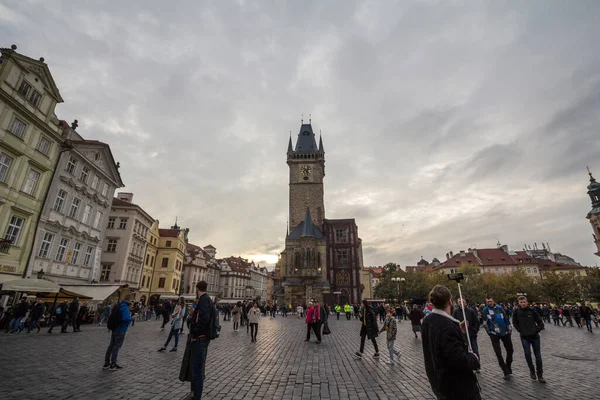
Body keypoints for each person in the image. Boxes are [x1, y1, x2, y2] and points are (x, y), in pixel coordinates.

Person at [422, 285, 481, 400]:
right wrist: (474, 358)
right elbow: (459, 360)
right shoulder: (448, 326)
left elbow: (440, 343)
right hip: (457, 388)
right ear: (450, 301)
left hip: (438, 382)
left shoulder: (427, 320)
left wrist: (459, 331)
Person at [512, 295, 545, 383]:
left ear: (527, 302)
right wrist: (521, 330)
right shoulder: (516, 312)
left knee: (538, 357)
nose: (523, 304)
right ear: (519, 303)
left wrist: (535, 330)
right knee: (527, 354)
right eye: (521, 302)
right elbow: (514, 323)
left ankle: (540, 374)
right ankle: (532, 370)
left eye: (524, 302)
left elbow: (541, 323)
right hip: (524, 337)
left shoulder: (532, 311)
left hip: (535, 337)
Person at [189, 281, 213, 400]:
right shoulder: (207, 299)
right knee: (197, 369)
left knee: (197, 371)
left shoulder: (204, 300)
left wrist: (195, 333)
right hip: (203, 337)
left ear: (197, 289)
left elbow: (203, 319)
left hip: (200, 338)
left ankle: (196, 397)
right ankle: (193, 393)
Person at [483, 296, 513, 380]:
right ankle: (505, 370)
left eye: (490, 301)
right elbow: (485, 322)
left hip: (504, 331)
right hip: (494, 333)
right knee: (498, 353)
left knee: (510, 350)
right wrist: (489, 332)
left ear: (493, 301)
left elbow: (506, 318)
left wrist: (509, 327)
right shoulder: (485, 310)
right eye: (488, 301)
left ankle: (508, 365)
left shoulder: (500, 308)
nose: (489, 303)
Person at [103, 293, 135, 371]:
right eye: (132, 300)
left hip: (115, 328)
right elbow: (125, 318)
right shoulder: (125, 307)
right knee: (116, 347)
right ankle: (113, 364)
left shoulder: (119, 305)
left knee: (111, 346)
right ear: (130, 300)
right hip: (120, 329)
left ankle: (106, 363)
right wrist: (133, 317)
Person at [452, 298, 480, 372]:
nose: (461, 303)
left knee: (475, 349)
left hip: (471, 334)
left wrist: (474, 331)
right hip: (462, 335)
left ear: (466, 303)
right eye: (459, 302)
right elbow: (453, 322)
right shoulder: (456, 312)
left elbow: (476, 322)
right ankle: (467, 365)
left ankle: (476, 365)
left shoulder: (471, 311)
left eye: (462, 302)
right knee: (464, 350)